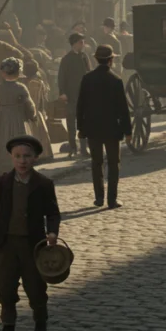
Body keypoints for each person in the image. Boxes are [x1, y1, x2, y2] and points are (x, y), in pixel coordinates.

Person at [0, 136, 61, 331]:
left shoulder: (43, 184)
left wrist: (52, 232)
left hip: (32, 245)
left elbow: (53, 212)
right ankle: (8, 325)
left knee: (35, 287)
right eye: (17, 156)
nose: (22, 161)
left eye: (26, 156)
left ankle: (40, 324)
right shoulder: (3, 183)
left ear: (34, 158)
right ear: (11, 158)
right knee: (6, 288)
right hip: (7, 245)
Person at [76, 45, 132, 209]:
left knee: (96, 163)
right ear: (111, 60)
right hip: (111, 128)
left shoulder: (87, 79)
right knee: (113, 163)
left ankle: (99, 198)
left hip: (92, 127)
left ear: (96, 59)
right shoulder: (115, 80)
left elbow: (81, 106)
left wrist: (80, 127)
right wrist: (128, 131)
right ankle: (112, 199)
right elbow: (123, 109)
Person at [0, 58, 36, 182]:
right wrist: (32, 116)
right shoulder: (21, 88)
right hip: (18, 119)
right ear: (18, 73)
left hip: (0, 121)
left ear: (3, 73)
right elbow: (30, 106)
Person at [57, 33, 92, 156]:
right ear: (74, 44)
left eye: (83, 42)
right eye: (80, 42)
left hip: (84, 94)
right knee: (71, 123)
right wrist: (62, 92)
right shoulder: (66, 59)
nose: (83, 45)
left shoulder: (84, 57)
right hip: (71, 94)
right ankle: (72, 148)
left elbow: (89, 73)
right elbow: (61, 77)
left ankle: (83, 149)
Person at [21, 61, 55, 162]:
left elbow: (34, 100)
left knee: (36, 133)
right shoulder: (36, 80)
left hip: (33, 112)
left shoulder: (33, 83)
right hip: (36, 111)